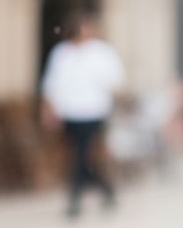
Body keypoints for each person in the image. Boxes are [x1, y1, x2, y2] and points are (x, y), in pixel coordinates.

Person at [41, 12, 125, 216]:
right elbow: (52, 84)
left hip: (94, 111)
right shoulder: (61, 53)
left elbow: (116, 81)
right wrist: (49, 109)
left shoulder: (102, 52)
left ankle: (75, 199)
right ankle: (106, 189)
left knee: (82, 155)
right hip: (70, 113)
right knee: (82, 156)